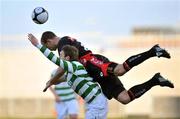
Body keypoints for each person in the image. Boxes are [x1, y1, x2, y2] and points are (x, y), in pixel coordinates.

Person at [28, 33, 174, 105]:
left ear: (48, 41)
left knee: (119, 70)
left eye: (48, 47)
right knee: (124, 99)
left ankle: (153, 51)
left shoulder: (62, 44)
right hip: (95, 74)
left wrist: (51, 80)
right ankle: (155, 80)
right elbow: (66, 74)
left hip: (93, 62)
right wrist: (52, 82)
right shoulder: (67, 47)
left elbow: (62, 67)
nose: (52, 50)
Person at [28, 36, 108, 119]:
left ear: (67, 58)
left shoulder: (74, 65)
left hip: (97, 103)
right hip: (93, 103)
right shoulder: (70, 72)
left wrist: (37, 45)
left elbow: (54, 59)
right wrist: (50, 82)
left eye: (61, 56)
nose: (60, 58)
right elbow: (60, 80)